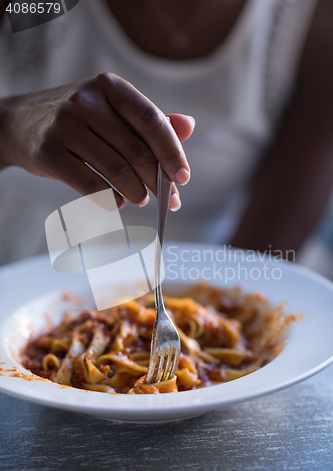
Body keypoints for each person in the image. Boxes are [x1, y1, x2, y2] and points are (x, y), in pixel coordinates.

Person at [0, 0, 333, 275]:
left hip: (218, 265)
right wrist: (8, 130)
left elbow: (264, 259)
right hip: (18, 254)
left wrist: (193, 322)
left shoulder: (312, 14)